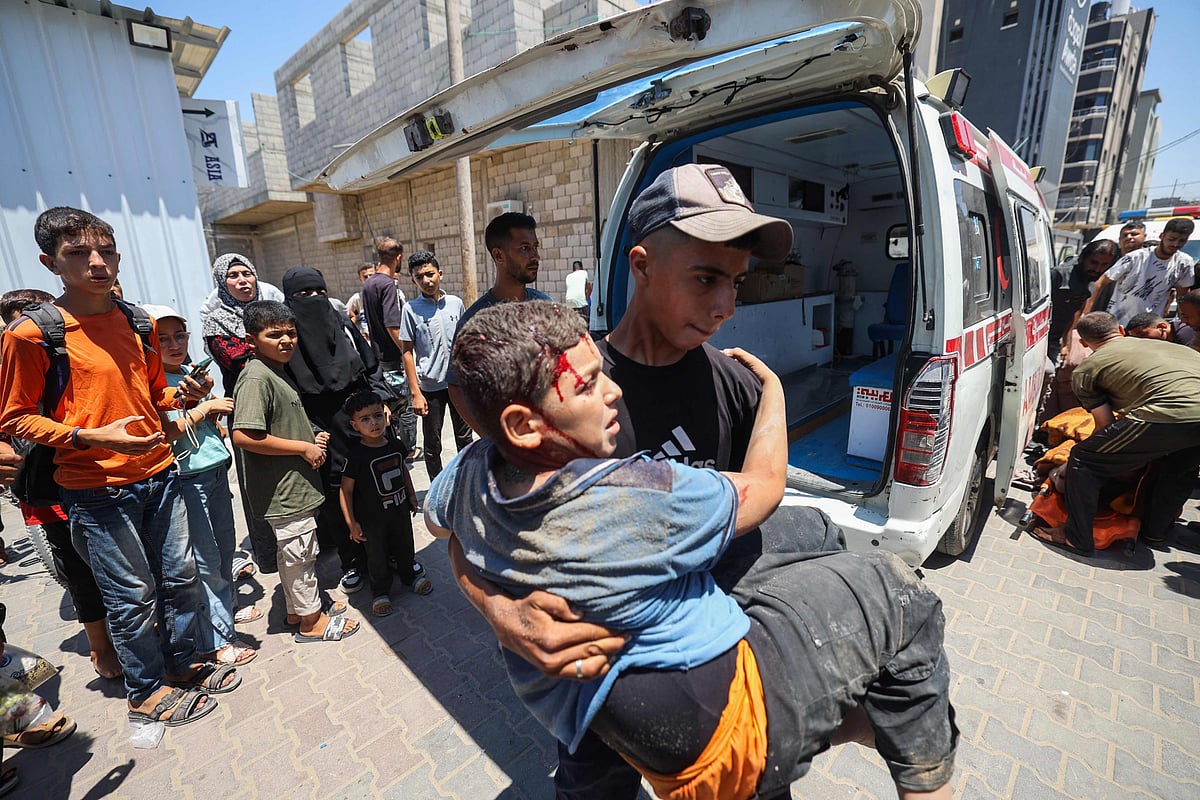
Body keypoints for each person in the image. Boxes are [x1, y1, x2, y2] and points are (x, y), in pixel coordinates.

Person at [429, 301, 956, 800]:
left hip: (602, 709)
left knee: (817, 531)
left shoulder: (474, 468)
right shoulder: (634, 494)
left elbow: (443, 530)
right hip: (725, 735)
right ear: (523, 425)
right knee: (898, 593)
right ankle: (903, 755)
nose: (613, 391)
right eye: (588, 385)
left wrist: (498, 606)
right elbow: (765, 486)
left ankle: (871, 714)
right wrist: (773, 392)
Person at [450, 163, 845, 798]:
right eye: (706, 278)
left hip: (710, 673)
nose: (725, 307)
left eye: (738, 283)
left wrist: (770, 395)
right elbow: (467, 522)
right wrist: (503, 613)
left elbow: (755, 504)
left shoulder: (735, 384)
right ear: (641, 265)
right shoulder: (567, 388)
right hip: (597, 685)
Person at [0, 207, 234, 727]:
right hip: (96, 487)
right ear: (50, 262)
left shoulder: (136, 320)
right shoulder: (32, 334)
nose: (97, 263)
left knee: (180, 577)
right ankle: (145, 691)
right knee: (131, 595)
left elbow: (156, 393)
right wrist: (87, 436)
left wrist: (186, 394)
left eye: (105, 251)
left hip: (161, 473)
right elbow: (16, 418)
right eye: (78, 254)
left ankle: (183, 664)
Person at [0, 288, 122, 678]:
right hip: (43, 486)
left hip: (92, 474)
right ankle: (100, 647)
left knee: (119, 559)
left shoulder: (68, 354)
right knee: (79, 572)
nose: (30, 327)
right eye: (20, 319)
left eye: (39, 316)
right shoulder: (10, 363)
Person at [230, 300, 360, 643]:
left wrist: (309, 437)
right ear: (251, 339)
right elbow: (244, 435)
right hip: (283, 490)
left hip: (292, 486)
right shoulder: (256, 377)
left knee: (293, 554)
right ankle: (311, 623)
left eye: (291, 333)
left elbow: (276, 425)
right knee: (301, 555)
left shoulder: (275, 371)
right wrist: (303, 448)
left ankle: (295, 609)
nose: (286, 341)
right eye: (274, 335)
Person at [1030, 311, 1200, 554]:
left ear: (1083, 342)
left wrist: (1077, 462)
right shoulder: (1174, 347)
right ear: (1121, 330)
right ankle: (1155, 533)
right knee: (1177, 467)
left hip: (1167, 413)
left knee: (1084, 459)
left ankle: (1076, 537)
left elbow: (1105, 424)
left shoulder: (1088, 369)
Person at [146, 304, 257, 667]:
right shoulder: (154, 383)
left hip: (213, 470)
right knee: (205, 561)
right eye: (162, 338)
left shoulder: (187, 374)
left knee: (224, 551)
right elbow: (166, 432)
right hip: (187, 479)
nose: (173, 344)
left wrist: (212, 414)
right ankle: (215, 641)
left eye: (179, 335)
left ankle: (224, 614)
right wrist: (205, 410)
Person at [280, 266, 379, 595]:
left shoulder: (340, 322)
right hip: (320, 431)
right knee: (337, 500)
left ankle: (383, 552)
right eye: (303, 295)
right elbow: (287, 393)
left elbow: (367, 365)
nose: (314, 300)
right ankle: (352, 561)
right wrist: (310, 432)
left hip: (360, 421)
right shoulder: (288, 340)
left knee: (371, 488)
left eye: (318, 293)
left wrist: (380, 408)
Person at [200, 252, 285, 575]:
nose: (242, 281)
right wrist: (269, 345)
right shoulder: (215, 320)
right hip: (246, 406)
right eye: (233, 276)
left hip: (282, 400)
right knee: (255, 481)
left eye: (247, 273)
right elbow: (235, 359)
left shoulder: (273, 312)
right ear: (222, 283)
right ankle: (267, 553)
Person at [339, 390, 431, 618]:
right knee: (376, 556)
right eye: (365, 419)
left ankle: (410, 576)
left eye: (378, 416)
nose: (374, 423)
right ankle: (380, 591)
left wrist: (411, 496)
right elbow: (346, 491)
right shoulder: (355, 456)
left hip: (399, 511)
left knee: (405, 546)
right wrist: (351, 523)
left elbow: (403, 471)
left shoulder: (396, 445)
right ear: (354, 425)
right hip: (372, 520)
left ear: (387, 416)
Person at [400, 251, 473, 478]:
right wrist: (415, 393)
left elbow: (464, 341)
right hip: (430, 388)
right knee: (432, 442)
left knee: (465, 438)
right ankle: (437, 487)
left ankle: (466, 480)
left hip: (458, 382)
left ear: (440, 274)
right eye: (419, 277)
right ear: (414, 280)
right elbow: (407, 352)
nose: (426, 281)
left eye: (430, 274)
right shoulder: (411, 310)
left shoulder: (455, 304)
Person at [1040, 240, 1120, 423]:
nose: (1097, 268)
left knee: (1049, 378)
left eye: (1104, 265)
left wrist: (1066, 344)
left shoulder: (1091, 281)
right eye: (1094, 262)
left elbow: (1072, 314)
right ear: (1083, 258)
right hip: (1038, 336)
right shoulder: (1059, 275)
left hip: (1054, 339)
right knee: (1045, 374)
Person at [361, 237, 419, 457]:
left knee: (387, 408)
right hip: (393, 359)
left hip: (378, 357)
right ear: (399, 258)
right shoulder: (387, 285)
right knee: (405, 409)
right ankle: (406, 451)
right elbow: (392, 325)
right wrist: (408, 351)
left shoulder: (369, 283)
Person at [1082, 217, 1195, 326]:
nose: (1175, 244)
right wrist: (1086, 313)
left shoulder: (1184, 263)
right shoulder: (1135, 257)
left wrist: (1184, 322)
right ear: (1162, 236)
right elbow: (1101, 283)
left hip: (1151, 326)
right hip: (1119, 322)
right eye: (1171, 239)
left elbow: (1183, 295)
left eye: (1182, 241)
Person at [455, 212, 554, 333]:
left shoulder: (546, 307)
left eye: (535, 247)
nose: (536, 257)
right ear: (499, 255)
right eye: (524, 248)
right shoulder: (475, 325)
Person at [346, 261, 377, 339]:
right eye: (365, 277)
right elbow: (344, 316)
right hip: (368, 343)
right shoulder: (357, 298)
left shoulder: (385, 295)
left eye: (371, 275)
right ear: (360, 279)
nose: (369, 279)